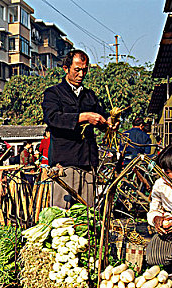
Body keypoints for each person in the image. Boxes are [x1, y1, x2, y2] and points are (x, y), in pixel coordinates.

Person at [42, 49, 113, 208]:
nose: (81, 74)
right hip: (64, 164)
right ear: (66, 68)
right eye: (77, 70)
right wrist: (83, 117)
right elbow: (52, 118)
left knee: (86, 215)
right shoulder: (53, 93)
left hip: (88, 162)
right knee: (62, 216)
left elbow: (102, 116)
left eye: (84, 70)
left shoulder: (90, 95)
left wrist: (109, 121)